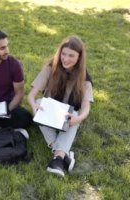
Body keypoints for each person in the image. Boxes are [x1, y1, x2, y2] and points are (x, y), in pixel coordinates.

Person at [27, 36, 93, 177]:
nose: (65, 59)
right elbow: (31, 96)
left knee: (75, 115)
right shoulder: (51, 67)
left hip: (67, 116)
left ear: (79, 57)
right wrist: (34, 107)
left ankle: (57, 158)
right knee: (39, 103)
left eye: (71, 55)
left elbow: (86, 107)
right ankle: (64, 155)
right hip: (50, 112)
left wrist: (79, 118)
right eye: (63, 54)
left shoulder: (84, 78)